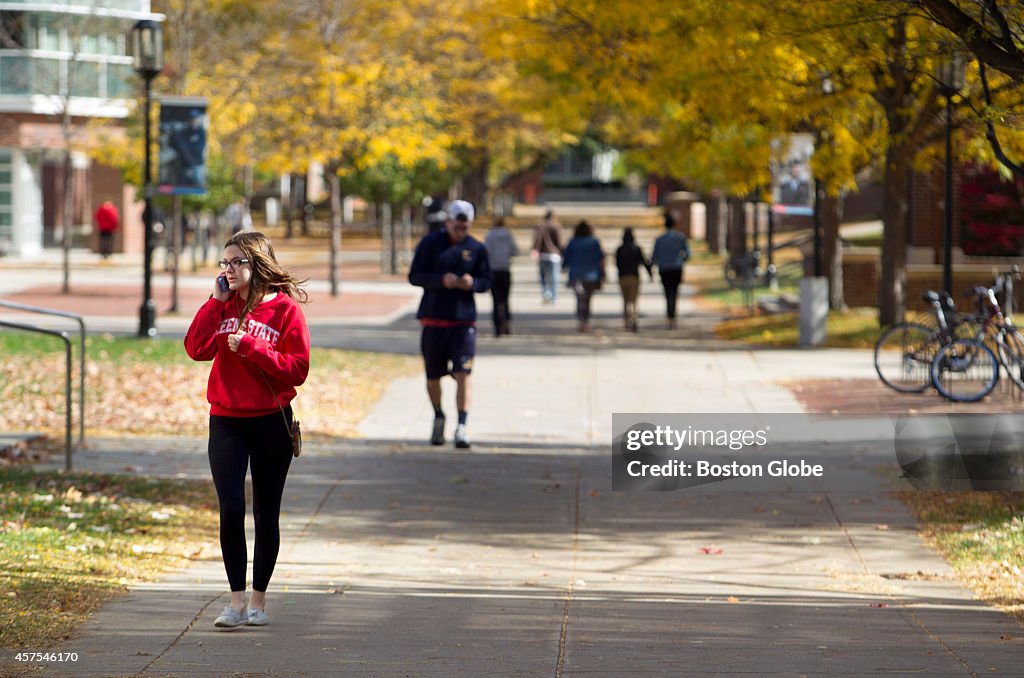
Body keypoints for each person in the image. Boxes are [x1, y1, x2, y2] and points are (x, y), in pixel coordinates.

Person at [183, 231, 310, 629]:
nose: (229, 270)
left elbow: (298, 370)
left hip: (272, 422)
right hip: (226, 421)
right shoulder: (222, 306)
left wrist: (255, 349)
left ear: (257, 263)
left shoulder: (285, 311)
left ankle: (258, 602)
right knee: (231, 509)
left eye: (236, 262)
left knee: (265, 513)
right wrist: (214, 303)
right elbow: (196, 348)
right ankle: (235, 602)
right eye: (224, 263)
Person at [408, 199, 492, 449]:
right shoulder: (430, 244)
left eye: (465, 227)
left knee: (463, 372)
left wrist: (473, 283)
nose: (461, 231)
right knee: (433, 377)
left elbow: (487, 280)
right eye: (457, 226)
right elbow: (414, 276)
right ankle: (438, 416)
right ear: (448, 222)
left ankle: (462, 425)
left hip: (463, 320)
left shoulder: (477, 248)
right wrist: (441, 280)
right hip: (433, 320)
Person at [562, 220, 605, 333]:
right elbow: (600, 259)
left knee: (579, 299)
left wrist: (564, 266)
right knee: (588, 299)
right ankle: (586, 321)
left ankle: (581, 321)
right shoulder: (594, 242)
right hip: (591, 276)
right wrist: (603, 274)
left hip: (576, 276)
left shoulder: (572, 242)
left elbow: (566, 257)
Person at [651, 213, 691, 329]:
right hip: (676, 268)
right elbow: (687, 253)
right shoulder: (680, 237)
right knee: (675, 292)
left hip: (664, 269)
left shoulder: (659, 239)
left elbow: (654, 257)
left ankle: (670, 316)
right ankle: (673, 315)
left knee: (668, 292)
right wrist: (681, 260)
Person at [484, 216, 519, 336]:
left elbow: (486, 252)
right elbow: (515, 251)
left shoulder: (489, 236)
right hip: (505, 269)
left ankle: (497, 327)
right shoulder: (508, 235)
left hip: (493, 270)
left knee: (495, 300)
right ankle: (507, 321)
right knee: (505, 299)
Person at [615, 227, 652, 332]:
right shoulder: (636, 249)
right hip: (634, 277)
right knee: (634, 300)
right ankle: (634, 319)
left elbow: (617, 263)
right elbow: (643, 262)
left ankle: (626, 320)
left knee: (625, 300)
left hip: (623, 277)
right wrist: (650, 273)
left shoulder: (620, 249)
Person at [531, 209, 564, 303]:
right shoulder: (556, 226)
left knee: (543, 276)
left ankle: (546, 292)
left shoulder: (539, 226)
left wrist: (535, 249)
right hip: (554, 255)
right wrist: (562, 253)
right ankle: (553, 296)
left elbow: (537, 240)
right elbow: (559, 242)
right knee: (554, 276)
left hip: (543, 254)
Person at [171, 108, 207, 188]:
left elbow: (198, 149)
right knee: (180, 186)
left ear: (198, 119)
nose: (193, 121)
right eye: (191, 119)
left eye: (195, 119)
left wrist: (186, 147)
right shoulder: (184, 132)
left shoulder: (202, 133)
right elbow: (178, 146)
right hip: (184, 166)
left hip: (197, 166)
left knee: (199, 186)